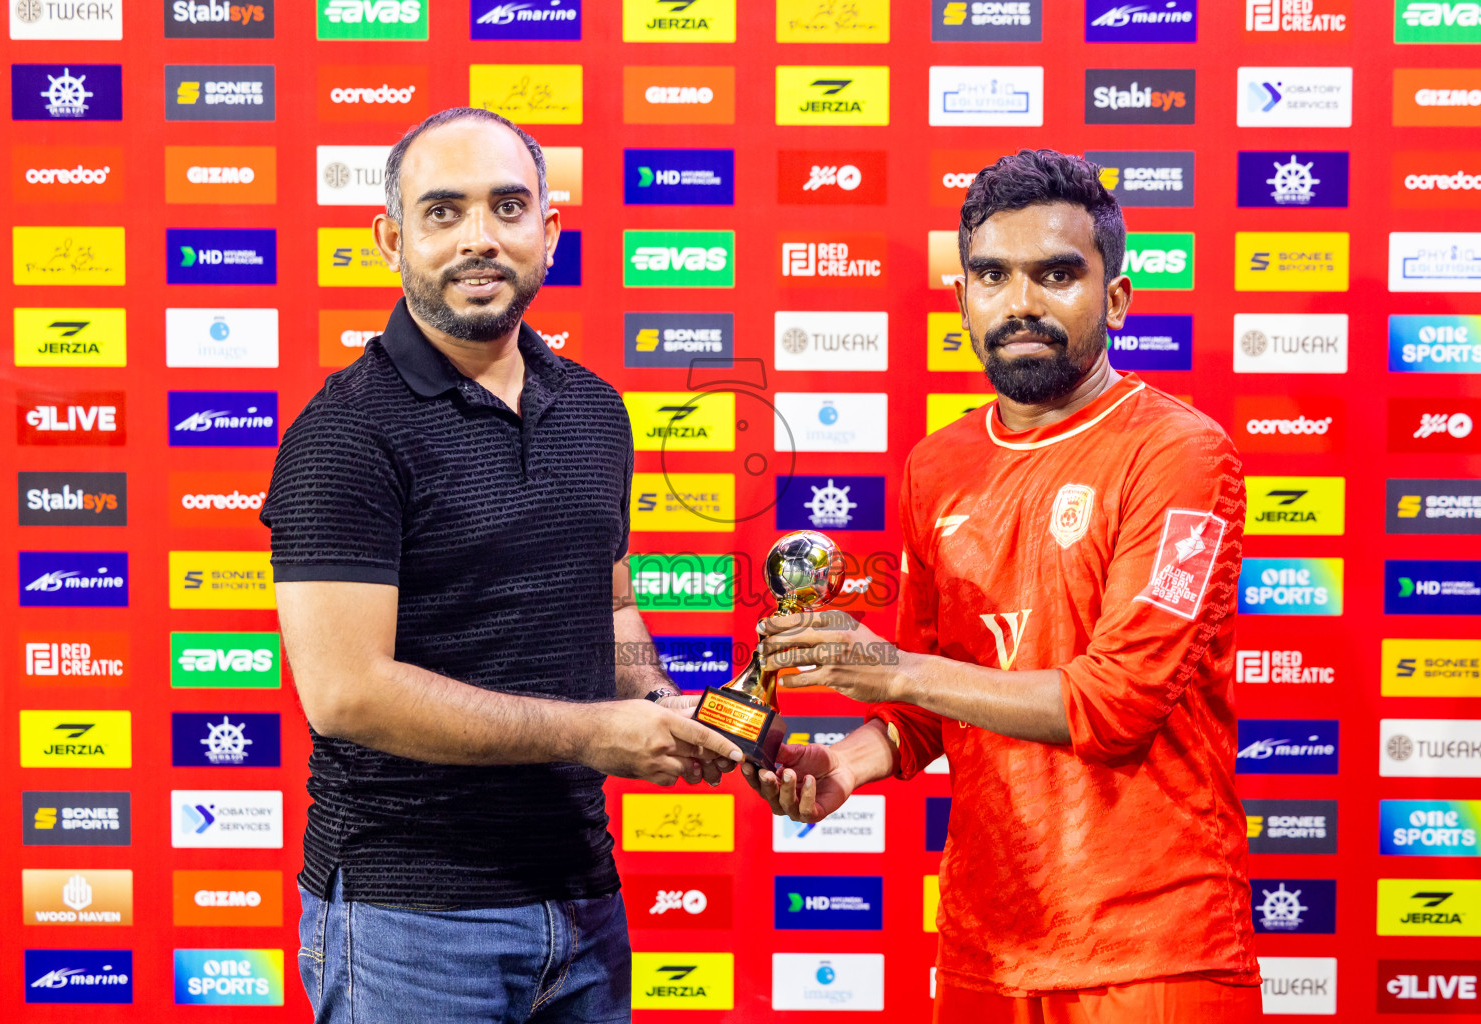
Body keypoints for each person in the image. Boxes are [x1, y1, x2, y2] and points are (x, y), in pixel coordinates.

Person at [743, 150, 1260, 1024]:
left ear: (1118, 298)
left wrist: (893, 668)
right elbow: (936, 694)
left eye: (1057, 274)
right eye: (993, 275)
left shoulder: (1181, 454)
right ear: (963, 299)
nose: (1020, 302)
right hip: (986, 948)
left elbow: (1116, 703)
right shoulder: (936, 466)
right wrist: (847, 763)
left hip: (1152, 952)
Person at [261, 106, 741, 1024]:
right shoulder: (345, 434)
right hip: (409, 921)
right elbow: (345, 693)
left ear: (547, 232)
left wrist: (663, 714)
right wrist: (590, 735)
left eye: (508, 207)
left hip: (583, 904)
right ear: (391, 238)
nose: (479, 238)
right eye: (443, 211)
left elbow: (607, 611)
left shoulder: (596, 409)